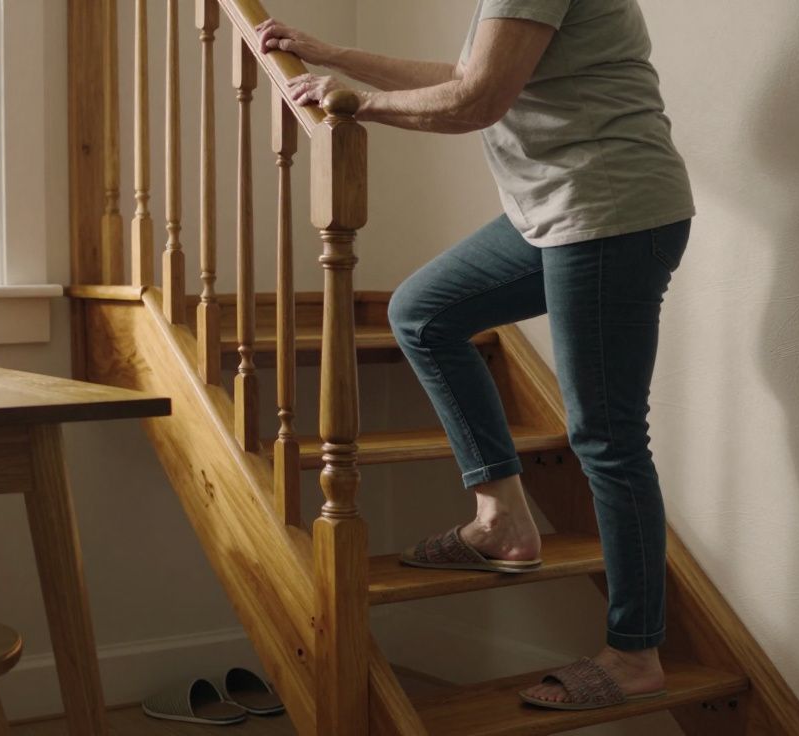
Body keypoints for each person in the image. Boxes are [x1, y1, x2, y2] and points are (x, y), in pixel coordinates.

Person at [257, 0, 693, 711]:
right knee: (424, 312)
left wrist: (357, 104)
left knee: (606, 436)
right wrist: (332, 53)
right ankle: (503, 522)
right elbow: (467, 75)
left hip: (610, 213)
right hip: (557, 209)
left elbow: (478, 101)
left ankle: (636, 650)